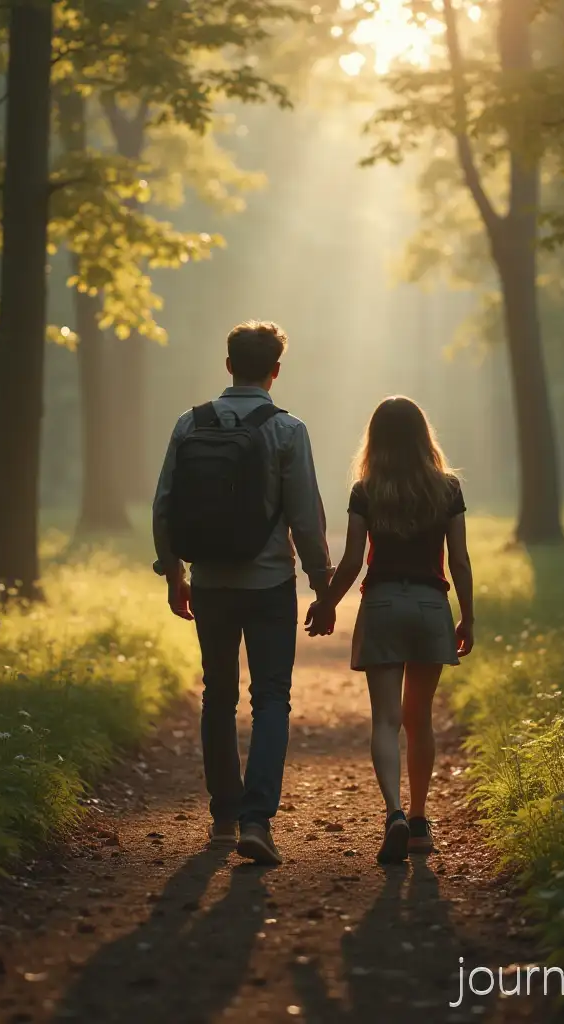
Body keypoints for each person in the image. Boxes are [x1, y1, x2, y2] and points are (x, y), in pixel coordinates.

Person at [152, 320, 332, 866]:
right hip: (271, 582)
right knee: (272, 697)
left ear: (228, 364)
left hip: (210, 583)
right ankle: (258, 820)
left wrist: (175, 575)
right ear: (276, 370)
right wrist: (323, 587)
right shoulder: (287, 429)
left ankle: (225, 818)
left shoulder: (191, 422)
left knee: (218, 696)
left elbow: (164, 505)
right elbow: (305, 516)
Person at [305, 396, 475, 863]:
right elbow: (458, 559)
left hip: (381, 604)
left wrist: (325, 604)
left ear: (375, 440)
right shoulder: (447, 489)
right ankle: (420, 822)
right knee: (418, 719)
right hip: (429, 605)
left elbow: (354, 561)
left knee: (385, 720)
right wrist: (469, 617)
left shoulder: (366, 490)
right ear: (424, 437)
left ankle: (395, 813)